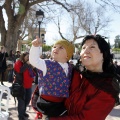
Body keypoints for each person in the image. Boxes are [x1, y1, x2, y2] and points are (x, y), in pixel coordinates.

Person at [40, 34, 120, 120]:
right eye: (83, 48)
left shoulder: (107, 88)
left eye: (92, 47)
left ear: (104, 54)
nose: (86, 51)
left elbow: (85, 118)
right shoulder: (74, 73)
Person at [29, 36, 74, 119]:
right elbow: (34, 60)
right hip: (46, 104)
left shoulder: (70, 67)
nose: (56, 49)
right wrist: (35, 47)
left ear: (68, 55)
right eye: (54, 47)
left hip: (61, 104)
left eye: (61, 48)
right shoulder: (47, 64)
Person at [14, 52, 35, 120]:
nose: (28, 58)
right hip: (21, 86)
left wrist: (33, 67)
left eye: (29, 56)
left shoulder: (28, 63)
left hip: (28, 85)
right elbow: (20, 70)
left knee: (27, 100)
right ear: (23, 56)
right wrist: (26, 64)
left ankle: (23, 112)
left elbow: (32, 73)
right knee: (21, 102)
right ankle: (20, 116)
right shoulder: (18, 62)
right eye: (27, 56)